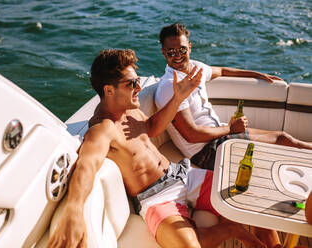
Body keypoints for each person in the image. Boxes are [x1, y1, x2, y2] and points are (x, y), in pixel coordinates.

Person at [47, 49, 277, 248]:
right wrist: (74, 210)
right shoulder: (103, 129)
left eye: (138, 81)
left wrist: (178, 98)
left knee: (252, 199)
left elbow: (152, 127)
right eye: (131, 84)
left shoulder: (130, 110)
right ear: (109, 90)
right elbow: (86, 165)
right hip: (157, 197)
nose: (138, 87)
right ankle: (231, 230)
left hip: (183, 174)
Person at [155, 22, 312, 172]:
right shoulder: (169, 86)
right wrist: (230, 128)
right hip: (205, 151)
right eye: (171, 52)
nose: (177, 56)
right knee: (279, 144)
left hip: (220, 134)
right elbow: (191, 135)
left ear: (189, 48)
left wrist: (257, 74)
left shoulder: (196, 68)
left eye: (182, 50)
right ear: (163, 52)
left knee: (283, 138)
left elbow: (223, 71)